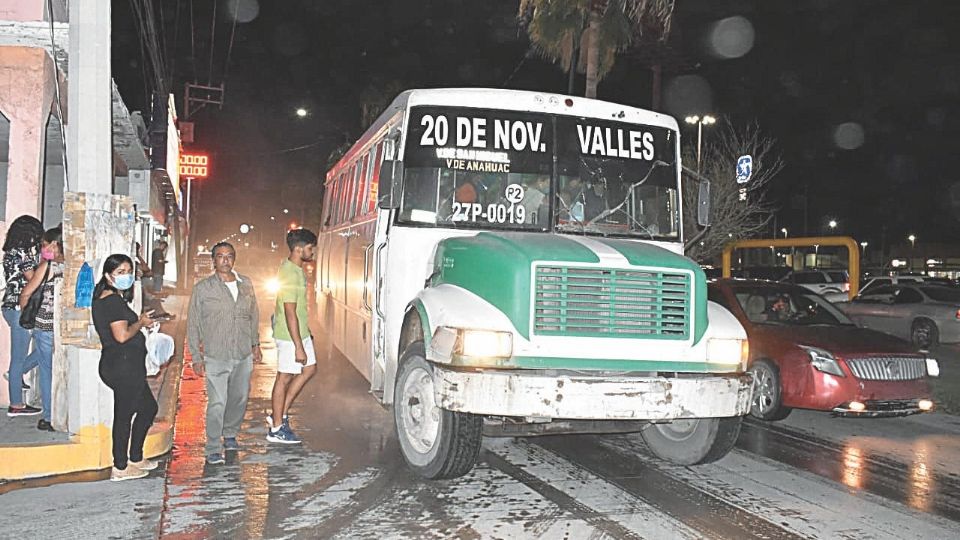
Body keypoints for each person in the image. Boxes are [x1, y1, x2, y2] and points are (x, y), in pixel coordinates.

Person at [187, 242, 260, 464]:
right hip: (216, 355)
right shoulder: (203, 289)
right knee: (218, 402)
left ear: (234, 259)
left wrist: (255, 344)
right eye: (220, 256)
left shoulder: (245, 284)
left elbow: (253, 315)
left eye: (229, 256)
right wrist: (196, 357)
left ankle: (229, 434)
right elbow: (193, 323)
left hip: (242, 353)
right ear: (214, 260)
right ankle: (212, 447)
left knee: (239, 399)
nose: (225, 260)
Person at [91, 253, 159, 481]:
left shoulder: (110, 297)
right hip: (122, 366)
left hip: (124, 365)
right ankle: (120, 466)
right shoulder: (110, 300)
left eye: (129, 271)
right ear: (108, 276)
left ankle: (135, 457)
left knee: (148, 408)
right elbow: (121, 336)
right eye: (120, 272)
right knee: (124, 416)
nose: (126, 276)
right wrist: (140, 322)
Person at [267, 228, 318, 444]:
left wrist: (306, 335)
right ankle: (277, 429)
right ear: (298, 249)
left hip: (300, 332)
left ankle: (280, 415)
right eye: (310, 248)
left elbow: (298, 311)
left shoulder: (297, 270)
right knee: (284, 377)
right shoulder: (289, 272)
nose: (312, 252)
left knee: (309, 369)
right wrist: (298, 345)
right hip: (289, 336)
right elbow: (289, 312)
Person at [18, 226, 64, 431]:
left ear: (55, 244)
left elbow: (27, 292)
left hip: (45, 326)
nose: (43, 249)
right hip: (65, 328)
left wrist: (25, 311)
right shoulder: (75, 265)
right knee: (63, 372)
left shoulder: (48, 266)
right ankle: (63, 413)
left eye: (45, 245)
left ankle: (49, 416)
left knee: (47, 372)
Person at [3, 215, 43, 417]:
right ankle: (16, 404)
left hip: (11, 306)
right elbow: (32, 278)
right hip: (21, 307)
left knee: (43, 347)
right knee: (20, 356)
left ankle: (15, 375)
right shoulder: (23, 253)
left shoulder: (10, 252)